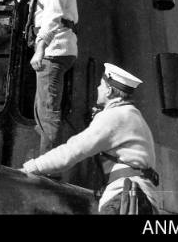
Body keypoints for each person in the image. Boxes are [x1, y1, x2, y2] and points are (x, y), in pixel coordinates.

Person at [21, 63, 159, 215]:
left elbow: (73, 151)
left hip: (124, 201)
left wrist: (33, 167)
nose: (98, 89)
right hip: (144, 201)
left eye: (101, 85)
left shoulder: (114, 117)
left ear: (109, 90)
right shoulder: (135, 117)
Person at [19, 0, 78, 155]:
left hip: (53, 49)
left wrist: (40, 47)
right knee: (42, 110)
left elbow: (53, 14)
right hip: (55, 47)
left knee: (47, 113)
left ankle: (48, 170)